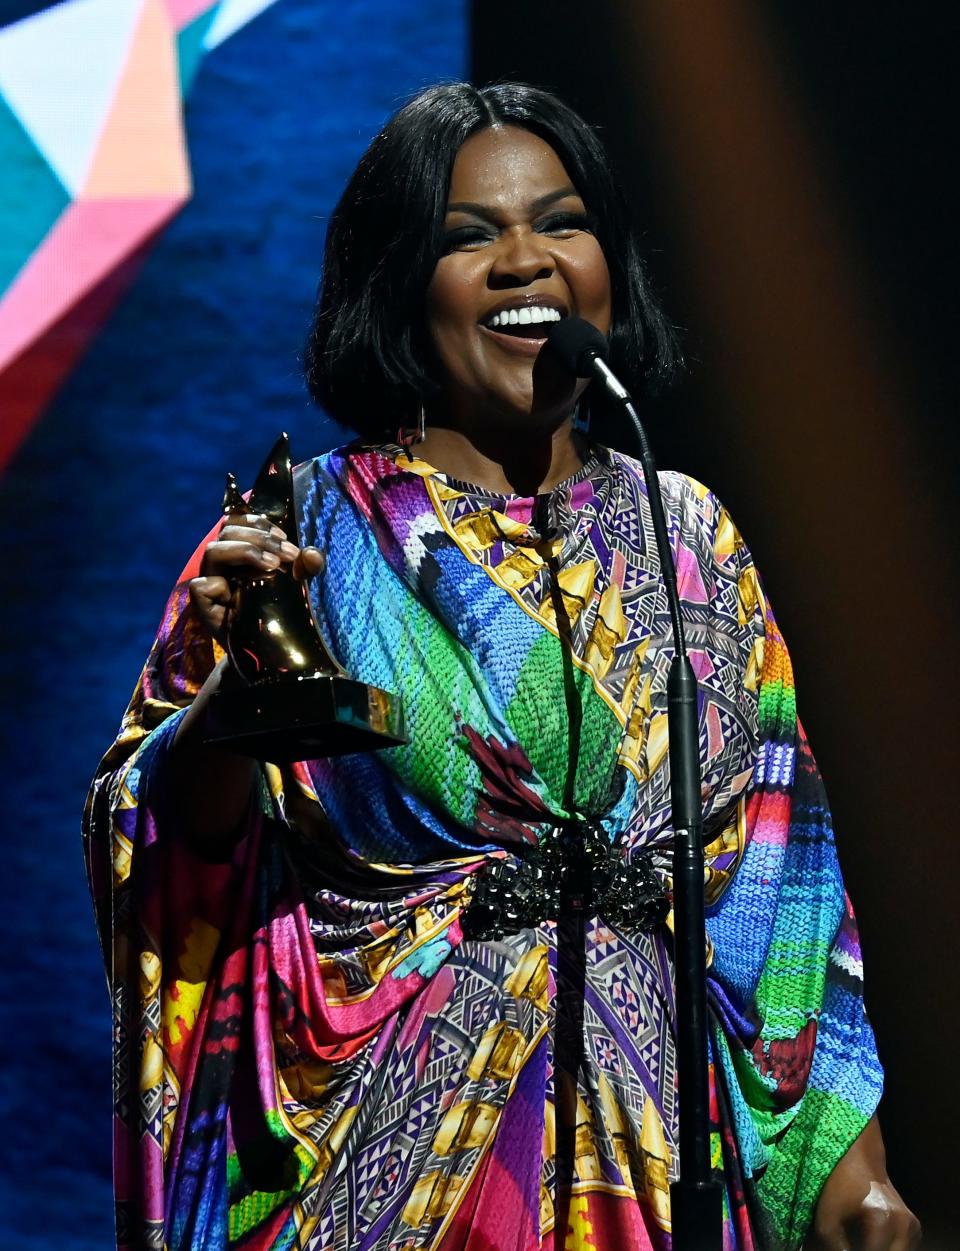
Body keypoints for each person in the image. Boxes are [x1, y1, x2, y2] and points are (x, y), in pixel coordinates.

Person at [84, 83, 919, 1251]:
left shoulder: (689, 535)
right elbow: (156, 844)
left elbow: (782, 883)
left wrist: (855, 1173)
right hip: (393, 1165)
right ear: (397, 284)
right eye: (469, 236)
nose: (526, 261)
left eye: (560, 224)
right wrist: (231, 713)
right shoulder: (304, 536)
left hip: (663, 1160)